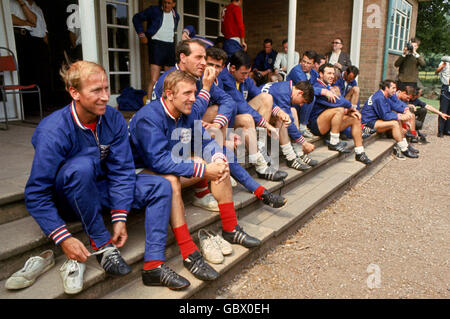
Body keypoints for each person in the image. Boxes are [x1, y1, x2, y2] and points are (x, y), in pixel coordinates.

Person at [128, 70, 264, 283]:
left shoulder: (187, 112)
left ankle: (230, 228)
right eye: (188, 93)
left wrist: (218, 157)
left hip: (165, 164)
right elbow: (158, 161)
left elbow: (205, 142)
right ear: (169, 94)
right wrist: (202, 171)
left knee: (218, 164)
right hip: (137, 174)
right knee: (171, 180)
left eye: (195, 92)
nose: (194, 98)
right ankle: (189, 252)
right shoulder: (149, 116)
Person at [24, 61, 143, 294]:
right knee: (81, 166)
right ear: (74, 92)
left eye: (107, 89)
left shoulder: (113, 117)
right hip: (67, 200)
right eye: (96, 91)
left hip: (97, 190)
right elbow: (36, 193)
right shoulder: (53, 130)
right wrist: (63, 238)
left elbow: (122, 170)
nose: (105, 97)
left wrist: (120, 215)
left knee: (159, 185)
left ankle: (155, 265)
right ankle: (102, 245)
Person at [152, 39, 287, 209]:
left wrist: (216, 125)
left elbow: (228, 101)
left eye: (204, 58)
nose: (203, 63)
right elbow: (163, 119)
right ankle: (203, 192)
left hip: (192, 132)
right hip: (168, 144)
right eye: (199, 58)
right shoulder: (167, 80)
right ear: (183, 57)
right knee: (214, 149)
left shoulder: (198, 77)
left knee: (220, 151)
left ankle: (260, 191)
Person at [217, 49, 288, 180]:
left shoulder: (244, 78)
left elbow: (257, 93)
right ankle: (261, 166)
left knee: (266, 97)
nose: (245, 77)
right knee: (248, 118)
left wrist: (280, 111)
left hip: (238, 115)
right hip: (225, 119)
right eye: (243, 73)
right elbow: (241, 105)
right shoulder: (225, 78)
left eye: (247, 73)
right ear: (232, 68)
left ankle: (260, 145)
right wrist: (267, 125)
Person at [309, 63, 372, 165]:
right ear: (320, 74)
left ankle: (360, 153)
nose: (332, 76)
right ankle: (334, 142)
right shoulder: (318, 86)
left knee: (354, 119)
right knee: (339, 109)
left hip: (329, 123)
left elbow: (341, 99)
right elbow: (339, 102)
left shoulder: (328, 86)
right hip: (317, 124)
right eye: (329, 73)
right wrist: (352, 108)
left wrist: (352, 112)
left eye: (333, 73)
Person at [260, 80, 319, 170]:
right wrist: (304, 142)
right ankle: (290, 157)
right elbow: (289, 124)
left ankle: (299, 153)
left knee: (293, 111)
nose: (301, 104)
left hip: (265, 112)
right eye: (303, 101)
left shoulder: (286, 87)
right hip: (256, 115)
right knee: (282, 119)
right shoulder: (283, 92)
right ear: (300, 92)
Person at [132, 0, 179, 101]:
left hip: (170, 46)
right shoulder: (154, 10)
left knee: (169, 79)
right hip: (156, 45)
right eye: (165, 2)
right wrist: (141, 34)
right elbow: (136, 18)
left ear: (174, 4)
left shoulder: (176, 16)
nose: (166, 5)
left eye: (169, 3)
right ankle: (148, 103)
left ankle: (167, 102)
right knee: (154, 79)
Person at [361, 79, 418, 160]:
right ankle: (403, 149)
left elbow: (395, 105)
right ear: (386, 88)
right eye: (393, 88)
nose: (395, 90)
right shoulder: (379, 97)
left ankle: (405, 146)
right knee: (394, 123)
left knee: (397, 120)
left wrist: (405, 111)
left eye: (395, 88)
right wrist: (400, 116)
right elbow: (385, 115)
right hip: (368, 123)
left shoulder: (385, 95)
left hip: (376, 120)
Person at [286, 50, 339, 138]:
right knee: (311, 96)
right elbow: (306, 89)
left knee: (316, 97)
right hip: (291, 101)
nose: (305, 64)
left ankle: (310, 123)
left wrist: (330, 88)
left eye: (308, 63)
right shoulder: (296, 71)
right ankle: (303, 126)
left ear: (314, 64)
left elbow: (319, 84)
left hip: (301, 103)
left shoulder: (314, 73)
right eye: (303, 61)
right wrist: (324, 91)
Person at [9, 0, 37, 86]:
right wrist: (26, 23)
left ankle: (30, 95)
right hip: (16, 35)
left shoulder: (24, 2)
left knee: (30, 68)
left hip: (27, 36)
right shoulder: (7, 2)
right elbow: (9, 17)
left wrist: (22, 3)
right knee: (20, 68)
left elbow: (34, 21)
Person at [435, 55, 450, 137]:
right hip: (446, 87)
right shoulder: (445, 61)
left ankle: (447, 130)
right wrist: (443, 66)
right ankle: (440, 131)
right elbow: (436, 71)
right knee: (443, 109)